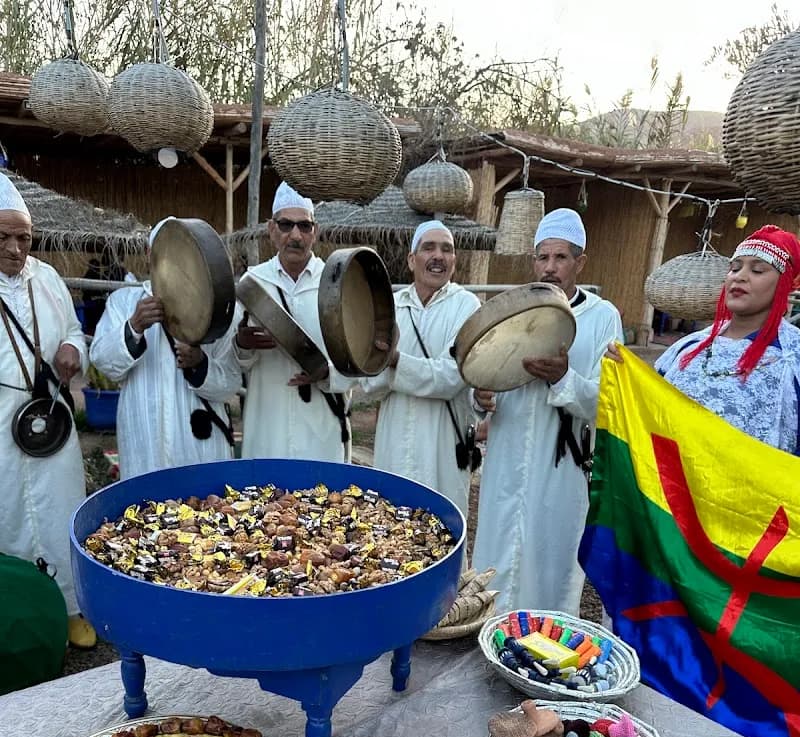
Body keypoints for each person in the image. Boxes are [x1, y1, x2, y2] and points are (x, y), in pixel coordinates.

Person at [472, 207, 624, 615]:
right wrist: (482, 397)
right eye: (543, 257)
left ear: (580, 262)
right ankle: (487, 641)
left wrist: (563, 379)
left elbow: (608, 402)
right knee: (496, 558)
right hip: (505, 459)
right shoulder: (513, 312)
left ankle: (546, 653)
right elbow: (488, 378)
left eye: (560, 258)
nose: (550, 267)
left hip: (563, 469)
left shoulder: (602, 318)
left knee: (552, 562)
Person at [0, 173, 96, 648]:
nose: (16, 249)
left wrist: (71, 349)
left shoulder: (51, 279)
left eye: (24, 238)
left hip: (51, 419)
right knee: (8, 515)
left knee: (61, 507)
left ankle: (72, 607)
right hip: (1, 429)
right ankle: (18, 617)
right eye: (4, 238)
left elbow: (75, 333)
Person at [616, 225, 800, 452]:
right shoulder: (689, 346)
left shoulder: (792, 358)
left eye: (758, 270)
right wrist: (626, 374)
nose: (740, 277)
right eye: (735, 268)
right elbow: (652, 410)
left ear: (784, 284)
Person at [89, 218, 242, 480]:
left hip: (200, 448)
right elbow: (103, 362)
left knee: (203, 513)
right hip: (144, 445)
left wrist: (199, 365)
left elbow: (230, 383)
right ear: (149, 254)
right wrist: (134, 327)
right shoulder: (124, 302)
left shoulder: (219, 312)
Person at [358, 221, 480, 519]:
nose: (438, 256)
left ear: (454, 261)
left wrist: (395, 361)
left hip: (443, 451)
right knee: (390, 531)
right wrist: (391, 369)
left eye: (446, 249)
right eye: (429, 247)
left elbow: (453, 377)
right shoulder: (390, 307)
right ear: (412, 260)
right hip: (393, 445)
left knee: (443, 533)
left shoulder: (467, 307)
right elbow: (368, 382)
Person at [227, 182, 353, 462]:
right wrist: (241, 344)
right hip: (267, 425)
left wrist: (326, 373)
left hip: (322, 425)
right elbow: (231, 362)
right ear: (272, 230)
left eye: (304, 226)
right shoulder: (252, 284)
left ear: (315, 232)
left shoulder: (337, 282)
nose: (295, 235)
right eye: (286, 225)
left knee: (324, 501)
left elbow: (359, 364)